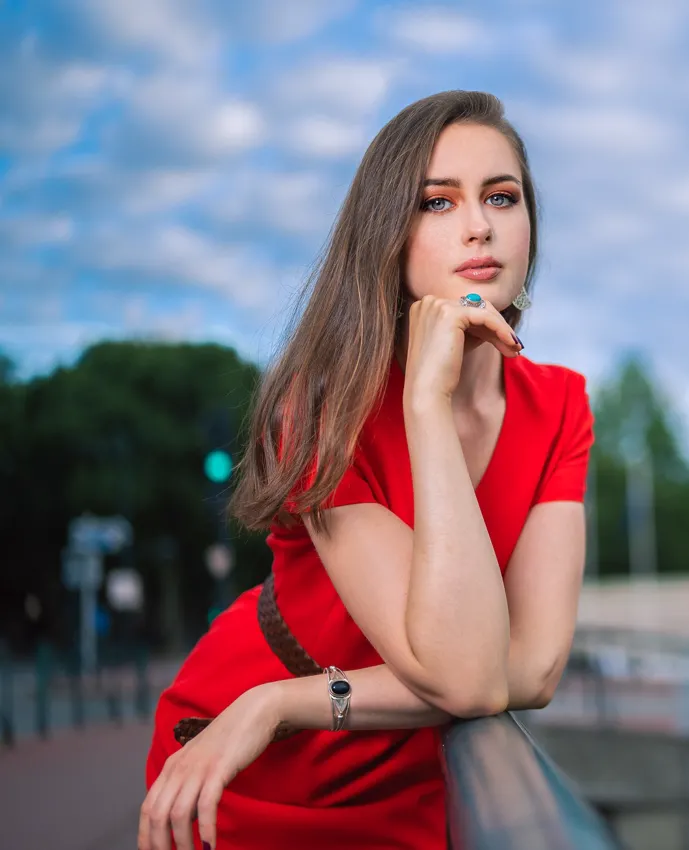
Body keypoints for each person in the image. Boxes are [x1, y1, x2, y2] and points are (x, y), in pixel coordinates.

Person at [140, 91, 594, 850]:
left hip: (379, 759)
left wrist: (283, 703)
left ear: (529, 227)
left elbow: (522, 673)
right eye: (436, 202)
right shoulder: (321, 409)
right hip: (256, 772)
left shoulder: (561, 406)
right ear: (390, 234)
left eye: (501, 197)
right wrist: (424, 398)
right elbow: (470, 679)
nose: (478, 224)